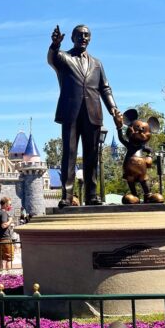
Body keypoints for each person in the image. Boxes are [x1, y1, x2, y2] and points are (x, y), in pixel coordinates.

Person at [48, 24, 122, 206]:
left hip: (93, 112)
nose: (83, 38)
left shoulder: (97, 63)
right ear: (72, 38)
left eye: (87, 35)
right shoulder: (64, 58)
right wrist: (55, 45)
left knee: (92, 155)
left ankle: (91, 195)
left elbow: (105, 88)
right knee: (69, 154)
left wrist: (113, 108)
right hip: (70, 113)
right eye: (80, 35)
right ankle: (66, 196)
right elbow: (52, 59)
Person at [0, 196, 14, 270]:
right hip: (5, 239)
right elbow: (3, 225)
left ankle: (0, 274)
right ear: (5, 204)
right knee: (9, 258)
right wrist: (10, 220)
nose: (10, 206)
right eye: (10, 204)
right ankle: (8, 275)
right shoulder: (4, 213)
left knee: (0, 258)